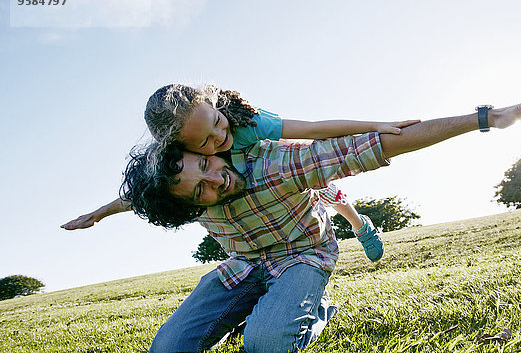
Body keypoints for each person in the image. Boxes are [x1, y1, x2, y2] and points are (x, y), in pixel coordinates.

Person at [64, 95, 521, 352]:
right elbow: (137, 199)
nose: (212, 182)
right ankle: (265, 308)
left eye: (209, 166)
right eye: (197, 184)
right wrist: (98, 213)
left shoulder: (272, 157)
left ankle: (310, 313)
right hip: (244, 264)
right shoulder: (175, 190)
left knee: (265, 344)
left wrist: (483, 118)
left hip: (301, 255)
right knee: (167, 348)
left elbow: (378, 142)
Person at [62, 84, 422, 261]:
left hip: (273, 163)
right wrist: (99, 213)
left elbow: (313, 128)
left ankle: (360, 225)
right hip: (242, 187)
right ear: (179, 147)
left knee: (325, 189)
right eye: (204, 142)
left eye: (217, 123)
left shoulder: (247, 123)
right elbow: (143, 195)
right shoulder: (180, 161)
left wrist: (376, 124)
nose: (220, 137)